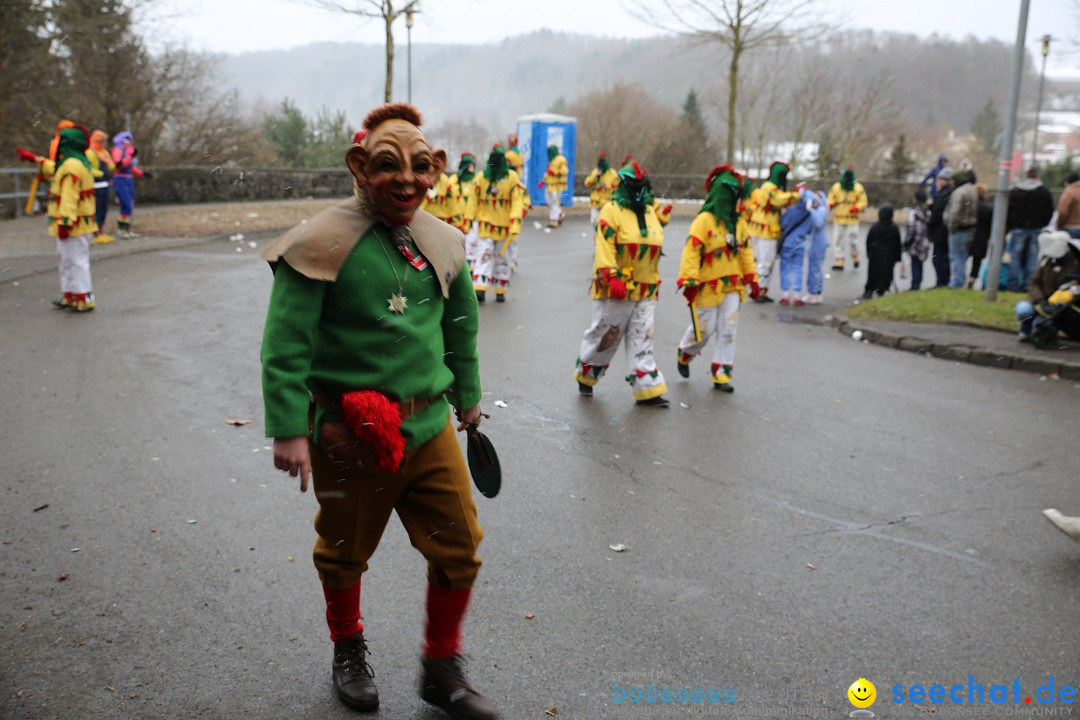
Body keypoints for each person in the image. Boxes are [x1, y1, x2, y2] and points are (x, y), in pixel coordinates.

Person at [259, 102, 498, 720]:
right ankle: (348, 650)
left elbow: (460, 326)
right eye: (389, 166)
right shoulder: (317, 244)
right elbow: (285, 344)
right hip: (348, 434)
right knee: (343, 550)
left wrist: (467, 398)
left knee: (460, 548)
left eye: (421, 167)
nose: (408, 180)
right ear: (360, 166)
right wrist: (291, 429)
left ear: (437, 168)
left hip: (430, 429)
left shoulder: (443, 240)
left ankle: (441, 670)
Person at [574, 161, 670, 407]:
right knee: (606, 334)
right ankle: (587, 374)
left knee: (643, 335)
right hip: (616, 287)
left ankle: (647, 387)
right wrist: (610, 273)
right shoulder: (611, 210)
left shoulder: (650, 211)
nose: (638, 191)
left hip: (646, 287)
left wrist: (663, 218)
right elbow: (604, 245)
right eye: (633, 186)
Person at [675, 166, 757, 391]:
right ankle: (685, 351)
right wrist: (689, 280)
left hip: (733, 285)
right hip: (708, 284)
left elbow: (746, 252)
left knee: (729, 328)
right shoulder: (703, 221)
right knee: (704, 328)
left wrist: (753, 278)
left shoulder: (739, 223)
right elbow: (691, 252)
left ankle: (722, 374)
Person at [18, 124, 100, 312]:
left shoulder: (72, 165)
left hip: (74, 225)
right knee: (66, 259)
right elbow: (53, 168)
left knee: (76, 260)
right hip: (74, 224)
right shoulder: (71, 162)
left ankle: (83, 298)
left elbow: (69, 198)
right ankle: (71, 295)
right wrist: (35, 159)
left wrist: (65, 222)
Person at [472, 145, 525, 303]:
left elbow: (517, 202)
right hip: (486, 226)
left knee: (503, 258)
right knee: (484, 254)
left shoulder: (512, 178)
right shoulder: (481, 178)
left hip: (504, 227)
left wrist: (515, 223)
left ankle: (500, 289)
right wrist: (468, 219)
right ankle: (480, 288)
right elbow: (473, 201)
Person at [747, 161, 800, 303]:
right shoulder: (769, 188)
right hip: (766, 230)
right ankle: (757, 290)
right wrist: (795, 195)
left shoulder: (770, 187)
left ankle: (762, 290)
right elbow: (777, 200)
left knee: (764, 262)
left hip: (763, 228)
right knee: (765, 262)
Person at [1014, 230, 1080, 341]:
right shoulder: (1047, 260)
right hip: (1039, 301)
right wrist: (1040, 300)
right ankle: (1025, 331)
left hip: (1058, 305)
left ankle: (1041, 331)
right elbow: (1033, 282)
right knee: (1023, 309)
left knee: (1048, 321)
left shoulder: (1074, 264)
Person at [1005, 167, 1055, 292]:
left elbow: (1009, 210)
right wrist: (1042, 223)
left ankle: (1013, 285)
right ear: (1037, 176)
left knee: (1015, 257)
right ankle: (1028, 285)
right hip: (1036, 228)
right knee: (1032, 258)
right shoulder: (1043, 192)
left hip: (1018, 228)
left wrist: (1012, 224)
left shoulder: (1016, 191)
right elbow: (1049, 211)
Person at [777, 187, 816, 306]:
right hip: (800, 244)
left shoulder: (791, 210)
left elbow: (782, 223)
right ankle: (797, 296)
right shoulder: (809, 214)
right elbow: (809, 230)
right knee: (798, 268)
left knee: (785, 268)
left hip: (787, 244)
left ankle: (785, 296)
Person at [827, 164, 868, 271]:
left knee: (853, 239)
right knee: (838, 239)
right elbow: (831, 197)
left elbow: (863, 201)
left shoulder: (858, 188)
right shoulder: (836, 187)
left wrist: (857, 207)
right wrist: (830, 204)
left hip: (852, 218)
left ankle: (855, 257)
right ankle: (839, 261)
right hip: (839, 218)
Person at [944, 168, 977, 288]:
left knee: (957, 257)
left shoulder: (959, 192)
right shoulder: (972, 190)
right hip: (970, 229)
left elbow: (955, 213)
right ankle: (959, 280)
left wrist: (951, 227)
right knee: (962, 257)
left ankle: (957, 282)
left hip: (959, 230)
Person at [110, 131, 145, 238]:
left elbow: (131, 168)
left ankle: (127, 229)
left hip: (128, 180)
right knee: (126, 205)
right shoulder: (118, 150)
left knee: (129, 206)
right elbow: (118, 165)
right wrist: (130, 156)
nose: (129, 142)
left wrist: (142, 173)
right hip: (120, 180)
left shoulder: (127, 151)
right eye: (127, 139)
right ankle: (122, 230)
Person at [862, 205, 901, 299]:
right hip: (889, 257)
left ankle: (869, 290)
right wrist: (897, 257)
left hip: (875, 256)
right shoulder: (894, 228)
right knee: (886, 275)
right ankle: (881, 290)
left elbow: (868, 241)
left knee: (873, 274)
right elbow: (898, 244)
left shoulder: (875, 227)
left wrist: (869, 254)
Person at [87, 130, 116, 245]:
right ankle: (95, 233)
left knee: (103, 209)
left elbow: (111, 166)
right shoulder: (90, 152)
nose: (103, 143)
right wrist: (101, 174)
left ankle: (101, 231)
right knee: (97, 209)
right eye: (101, 141)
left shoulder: (104, 153)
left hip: (105, 184)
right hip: (95, 184)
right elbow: (88, 169)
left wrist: (116, 166)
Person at [927, 169, 954, 287]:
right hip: (942, 232)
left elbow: (936, 213)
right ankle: (943, 281)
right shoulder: (946, 193)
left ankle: (942, 282)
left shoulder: (944, 194)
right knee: (941, 258)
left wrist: (929, 223)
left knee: (939, 259)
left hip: (940, 232)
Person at [453, 153, 480, 269]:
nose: (472, 168)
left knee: (472, 243)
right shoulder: (454, 181)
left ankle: (470, 268)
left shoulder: (476, 180)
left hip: (472, 218)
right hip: (457, 219)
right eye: (470, 165)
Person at [803, 190, 829, 304]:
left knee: (815, 270)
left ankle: (814, 293)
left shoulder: (821, 210)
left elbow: (817, 224)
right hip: (816, 243)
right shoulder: (821, 209)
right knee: (816, 269)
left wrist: (811, 211)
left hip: (817, 244)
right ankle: (817, 293)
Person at [904, 190, 932, 291]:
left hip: (915, 243)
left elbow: (910, 230)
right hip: (925, 242)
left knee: (915, 264)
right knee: (920, 264)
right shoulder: (927, 212)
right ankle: (918, 283)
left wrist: (906, 243)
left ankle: (915, 286)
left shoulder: (913, 213)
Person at [583, 152, 620, 227]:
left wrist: (609, 189)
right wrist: (595, 177)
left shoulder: (612, 173)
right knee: (594, 222)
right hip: (596, 202)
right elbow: (587, 183)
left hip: (607, 203)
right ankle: (597, 236)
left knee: (605, 223)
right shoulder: (595, 172)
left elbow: (617, 186)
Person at [968, 183, 993, 289]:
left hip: (970, 234)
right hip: (982, 237)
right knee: (977, 261)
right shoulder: (988, 207)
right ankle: (972, 279)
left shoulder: (971, 205)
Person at [538, 144, 568, 228]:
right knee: (549, 202)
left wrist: (554, 172)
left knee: (555, 202)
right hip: (549, 185)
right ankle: (560, 213)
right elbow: (548, 172)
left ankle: (554, 221)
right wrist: (542, 181)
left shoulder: (561, 159)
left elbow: (564, 171)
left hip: (557, 185)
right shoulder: (551, 160)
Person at [1057, 172, 1080, 240]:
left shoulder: (1069, 192)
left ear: (1067, 182)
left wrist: (1059, 224)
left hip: (1071, 228)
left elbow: (1062, 212)